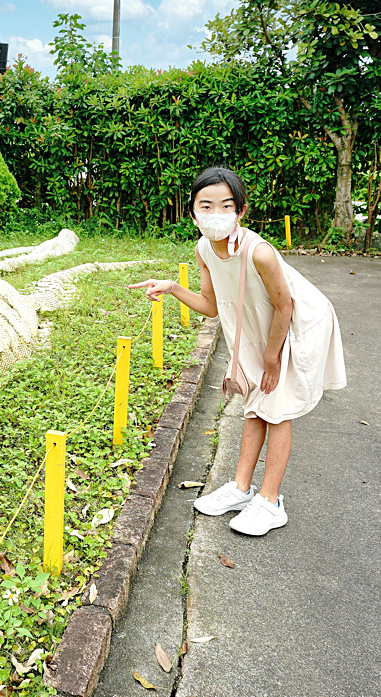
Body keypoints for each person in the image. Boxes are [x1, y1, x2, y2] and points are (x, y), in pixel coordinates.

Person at [128, 167, 346, 536]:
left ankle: (271, 501)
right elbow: (211, 306)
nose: (217, 215)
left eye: (226, 206)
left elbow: (285, 307)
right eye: (206, 206)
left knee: (278, 408)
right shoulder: (203, 249)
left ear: (241, 211)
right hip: (257, 330)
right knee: (254, 406)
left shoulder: (258, 252)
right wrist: (172, 287)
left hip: (294, 326)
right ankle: (242, 490)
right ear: (193, 213)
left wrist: (272, 357)